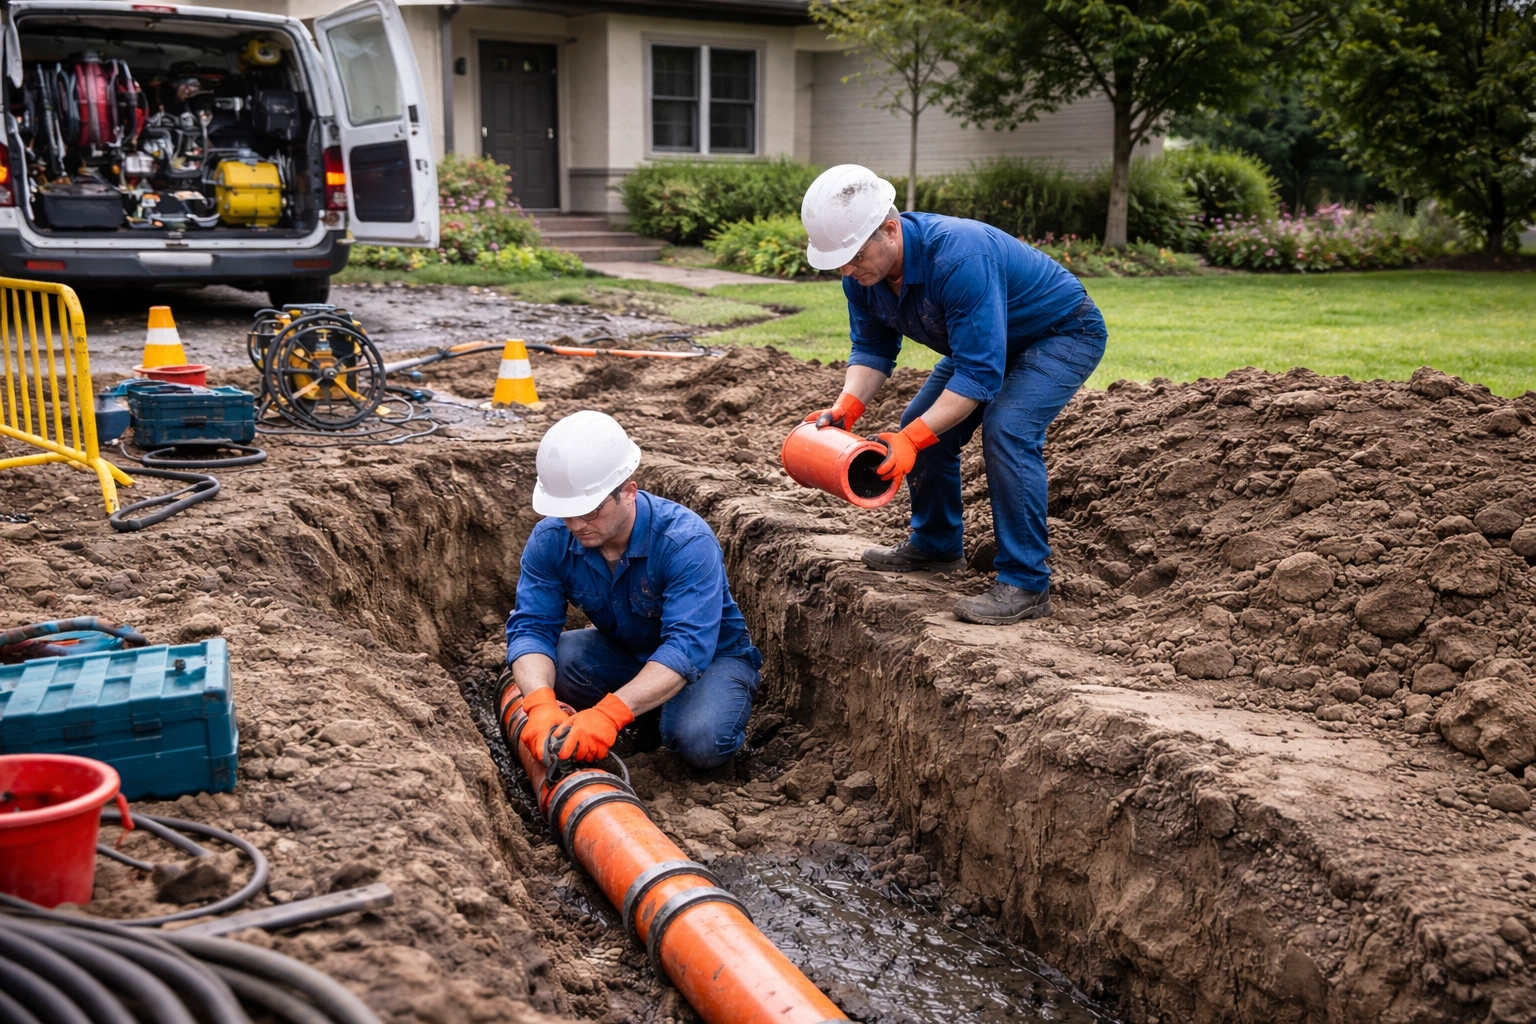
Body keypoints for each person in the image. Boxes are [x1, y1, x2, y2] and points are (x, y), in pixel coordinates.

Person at [800, 164, 1107, 625]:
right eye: (839, 260)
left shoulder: (958, 256)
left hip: (1061, 332)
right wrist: (848, 406)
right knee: (920, 426)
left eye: (854, 255)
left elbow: (980, 375)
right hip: (984, 343)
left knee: (1007, 429)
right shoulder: (861, 277)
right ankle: (937, 545)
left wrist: (912, 439)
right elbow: (872, 346)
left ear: (889, 229)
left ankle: (1026, 583)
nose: (846, 268)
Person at [505, 410, 762, 771]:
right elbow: (532, 627)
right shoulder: (551, 539)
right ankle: (646, 716)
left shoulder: (684, 542)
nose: (576, 525)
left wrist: (609, 715)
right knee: (561, 659)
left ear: (628, 491)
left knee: (702, 740)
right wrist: (539, 704)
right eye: (566, 513)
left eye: (590, 511)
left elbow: (686, 648)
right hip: (629, 653)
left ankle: (679, 716)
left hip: (711, 661)